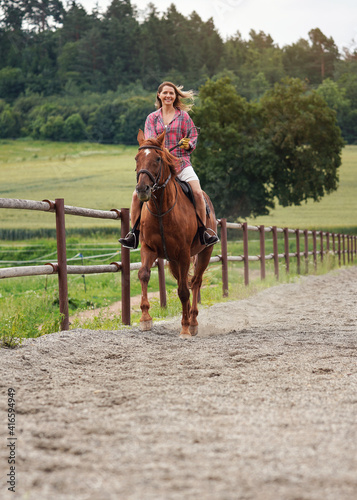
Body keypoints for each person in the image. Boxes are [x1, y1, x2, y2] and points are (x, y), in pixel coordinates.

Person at [119, 81, 219, 249]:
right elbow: (151, 142)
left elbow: (193, 135)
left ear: (175, 96)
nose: (168, 96)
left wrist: (188, 144)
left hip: (181, 163)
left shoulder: (184, 117)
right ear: (159, 95)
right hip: (159, 167)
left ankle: (204, 231)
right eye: (165, 93)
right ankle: (134, 234)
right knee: (137, 196)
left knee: (197, 192)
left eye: (171, 93)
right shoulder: (152, 118)